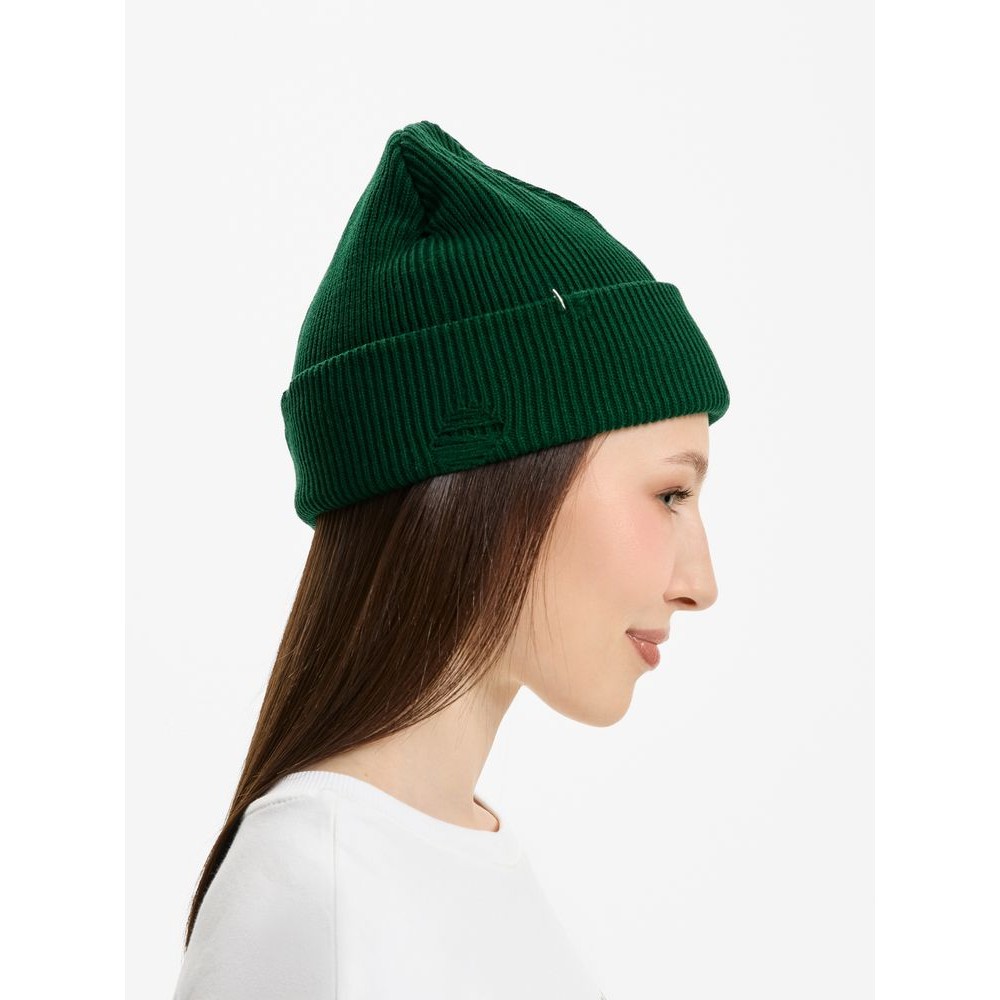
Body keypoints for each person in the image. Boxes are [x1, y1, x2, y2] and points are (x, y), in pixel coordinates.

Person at [172, 119, 730, 999]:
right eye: (669, 494)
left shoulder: (440, 851)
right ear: (499, 483)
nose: (702, 585)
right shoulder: (318, 887)